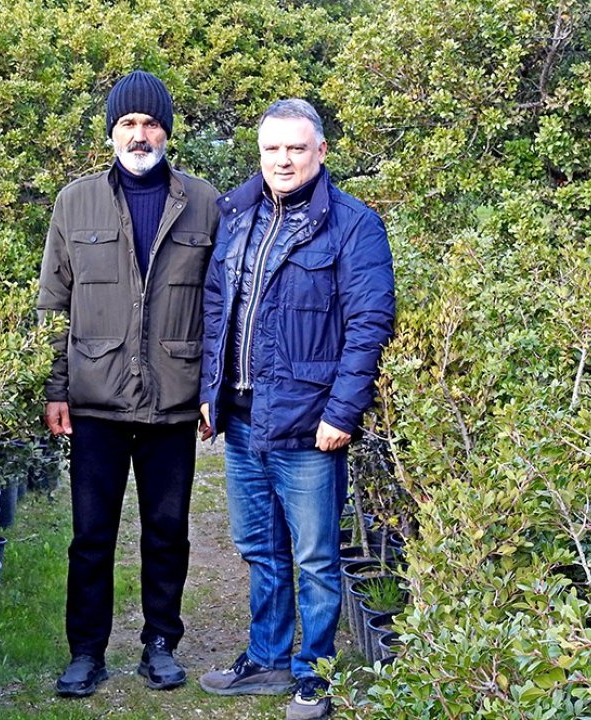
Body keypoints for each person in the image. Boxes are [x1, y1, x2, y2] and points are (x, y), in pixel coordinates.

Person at [196, 99, 395, 720]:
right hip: (243, 418)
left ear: (320, 152)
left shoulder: (354, 226)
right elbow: (214, 314)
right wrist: (211, 392)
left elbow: (369, 323)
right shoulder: (236, 215)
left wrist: (343, 411)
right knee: (259, 546)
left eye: (295, 148)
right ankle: (266, 658)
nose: (282, 160)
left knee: (314, 556)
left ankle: (315, 673)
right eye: (272, 149)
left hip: (311, 424)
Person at [37, 69, 219, 698]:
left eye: (149, 124)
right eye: (127, 125)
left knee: (167, 532)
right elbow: (52, 306)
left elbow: (218, 304)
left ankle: (160, 643)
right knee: (91, 536)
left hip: (173, 402)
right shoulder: (74, 201)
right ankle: (86, 652)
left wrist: (209, 389)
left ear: (168, 130)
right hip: (94, 403)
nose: (138, 136)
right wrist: (55, 388)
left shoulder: (205, 202)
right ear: (111, 131)